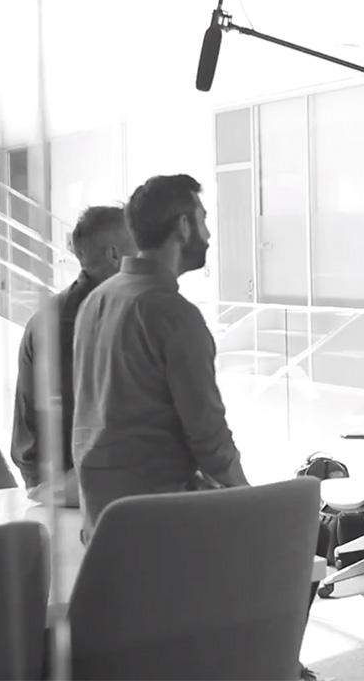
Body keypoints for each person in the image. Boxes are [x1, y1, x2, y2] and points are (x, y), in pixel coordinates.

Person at [71, 174, 248, 537]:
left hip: (102, 523)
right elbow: (209, 439)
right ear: (183, 227)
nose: (209, 234)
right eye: (202, 219)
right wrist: (252, 498)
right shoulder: (173, 315)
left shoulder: (97, 300)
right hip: (159, 527)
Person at [10, 205, 137, 506]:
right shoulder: (77, 322)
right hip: (62, 480)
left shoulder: (90, 310)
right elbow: (88, 429)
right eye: (139, 248)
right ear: (114, 255)